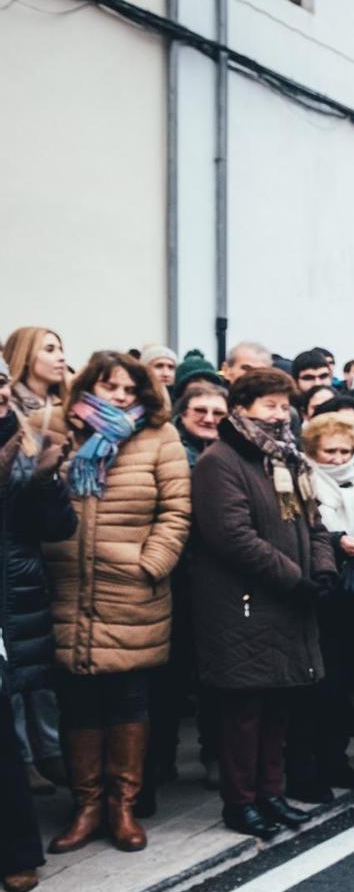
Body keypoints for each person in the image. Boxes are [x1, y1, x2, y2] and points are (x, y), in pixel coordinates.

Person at [42, 350, 192, 855]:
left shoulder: (158, 437)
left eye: (131, 390)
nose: (122, 398)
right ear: (90, 386)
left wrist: (150, 564)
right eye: (112, 388)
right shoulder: (64, 430)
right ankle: (87, 806)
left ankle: (122, 806)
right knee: (78, 702)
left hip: (133, 590)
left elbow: (176, 510)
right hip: (69, 588)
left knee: (128, 701)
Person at [182, 367, 332, 838]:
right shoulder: (220, 461)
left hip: (288, 601)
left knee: (278, 705)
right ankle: (240, 802)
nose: (279, 412)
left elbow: (315, 521)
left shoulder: (288, 459)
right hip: (242, 604)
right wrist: (295, 578)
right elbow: (232, 537)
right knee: (244, 713)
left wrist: (323, 570)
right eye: (268, 404)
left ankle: (271, 793)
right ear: (242, 407)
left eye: (283, 404)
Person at [1, 366, 76, 888]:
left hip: (11, 594)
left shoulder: (25, 440)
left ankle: (16, 853)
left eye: (0, 382)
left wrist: (47, 476)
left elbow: (56, 527)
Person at [299, 414, 354, 795]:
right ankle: (318, 767)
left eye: (345, 451)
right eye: (330, 452)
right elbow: (303, 539)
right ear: (312, 452)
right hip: (323, 598)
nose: (338, 459)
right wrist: (337, 546)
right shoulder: (305, 487)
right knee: (325, 688)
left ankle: (340, 762)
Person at [3, 327, 69, 428]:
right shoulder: (7, 405)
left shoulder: (67, 403)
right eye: (49, 350)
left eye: (61, 350)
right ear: (26, 357)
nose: (61, 357)